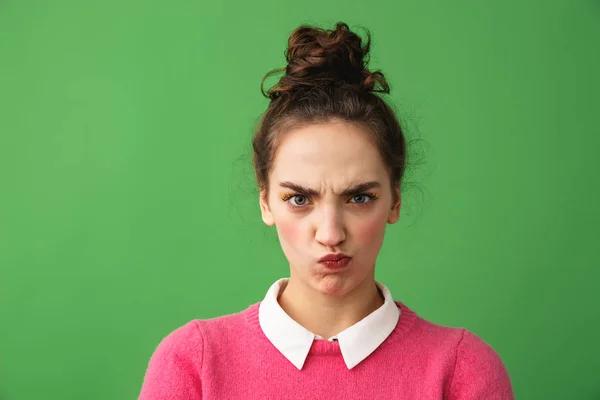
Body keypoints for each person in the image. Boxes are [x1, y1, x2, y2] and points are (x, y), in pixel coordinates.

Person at [138, 21, 514, 399]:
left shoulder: (462, 370)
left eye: (359, 198)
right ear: (265, 199)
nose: (331, 234)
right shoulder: (193, 364)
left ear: (395, 199)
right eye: (300, 199)